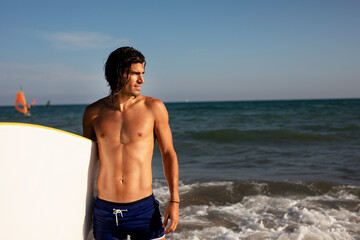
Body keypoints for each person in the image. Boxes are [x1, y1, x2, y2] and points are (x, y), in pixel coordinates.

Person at [82, 47, 179, 240]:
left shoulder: (153, 108)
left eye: (142, 73)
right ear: (118, 73)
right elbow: (88, 161)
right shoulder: (93, 113)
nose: (141, 80)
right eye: (135, 74)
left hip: (143, 210)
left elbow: (169, 153)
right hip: (105, 211)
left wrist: (174, 200)